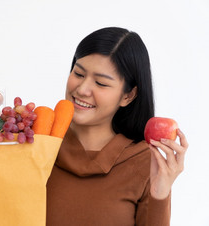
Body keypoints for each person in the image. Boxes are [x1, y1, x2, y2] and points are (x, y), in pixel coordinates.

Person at [46, 27, 188, 226]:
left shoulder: (146, 162)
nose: (82, 89)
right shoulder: (39, 143)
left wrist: (160, 194)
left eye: (101, 83)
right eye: (78, 73)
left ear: (128, 95)